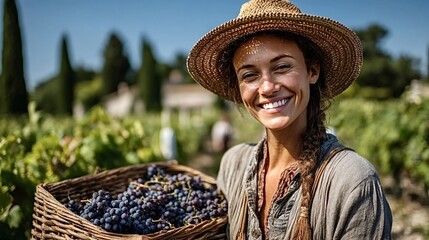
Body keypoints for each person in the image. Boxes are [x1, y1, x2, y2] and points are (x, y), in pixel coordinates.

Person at [186, 0, 393, 239]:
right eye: (249, 75)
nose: (266, 87)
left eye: (282, 67)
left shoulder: (351, 180)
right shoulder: (233, 164)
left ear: (312, 71)